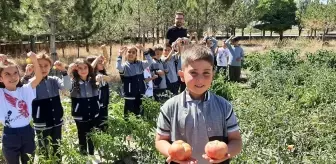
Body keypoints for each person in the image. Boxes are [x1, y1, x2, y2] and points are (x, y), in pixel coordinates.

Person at [155, 45, 242, 164]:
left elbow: (236, 141)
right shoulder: (170, 107)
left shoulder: (224, 106)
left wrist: (226, 154)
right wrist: (171, 152)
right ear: (181, 75)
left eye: (206, 73)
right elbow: (160, 141)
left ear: (213, 75)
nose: (200, 80)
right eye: (193, 73)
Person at [22, 53, 71, 162]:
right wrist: (26, 75)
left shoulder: (54, 80)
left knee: (57, 147)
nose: (43, 69)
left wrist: (64, 71)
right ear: (34, 66)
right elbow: (20, 92)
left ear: (50, 66)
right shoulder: (31, 82)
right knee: (43, 148)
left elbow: (67, 88)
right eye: (39, 66)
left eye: (46, 65)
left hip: (57, 121)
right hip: (41, 123)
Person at [0, 52, 42, 164]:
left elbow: (38, 77)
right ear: (1, 78)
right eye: (7, 74)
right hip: (10, 134)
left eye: (15, 73)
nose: (13, 77)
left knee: (28, 161)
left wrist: (34, 60)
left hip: (27, 131)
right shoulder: (1, 93)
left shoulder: (25, 89)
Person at [68, 58, 103, 163]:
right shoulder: (73, 82)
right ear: (76, 70)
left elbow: (103, 85)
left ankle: (92, 155)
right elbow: (66, 85)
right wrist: (69, 69)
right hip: (80, 114)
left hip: (93, 113)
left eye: (85, 67)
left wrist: (101, 79)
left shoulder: (93, 80)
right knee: (82, 136)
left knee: (92, 135)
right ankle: (83, 158)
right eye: (80, 68)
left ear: (89, 68)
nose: (83, 70)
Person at [116, 45, 153, 117]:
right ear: (126, 54)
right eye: (129, 52)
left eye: (133, 52)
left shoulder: (140, 64)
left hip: (140, 93)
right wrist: (120, 55)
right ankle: (128, 127)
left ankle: (139, 127)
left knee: (140, 113)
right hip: (130, 94)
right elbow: (118, 67)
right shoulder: (125, 66)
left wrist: (144, 51)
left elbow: (150, 61)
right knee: (129, 114)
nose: (131, 54)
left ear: (136, 55)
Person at [86, 44, 112, 132]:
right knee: (98, 123)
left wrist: (104, 49)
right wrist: (97, 59)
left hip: (104, 101)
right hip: (97, 103)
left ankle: (104, 135)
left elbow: (107, 59)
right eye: (99, 62)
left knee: (104, 122)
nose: (102, 63)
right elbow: (90, 68)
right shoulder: (90, 75)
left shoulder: (102, 71)